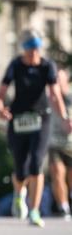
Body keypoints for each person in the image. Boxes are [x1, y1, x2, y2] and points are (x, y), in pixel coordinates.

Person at [0, 28, 71, 227]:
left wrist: (64, 117)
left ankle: (34, 211)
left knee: (36, 163)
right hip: (18, 119)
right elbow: (0, 95)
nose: (33, 54)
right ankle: (19, 193)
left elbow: (55, 95)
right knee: (21, 169)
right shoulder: (15, 65)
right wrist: (1, 109)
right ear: (24, 50)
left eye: (36, 49)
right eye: (29, 50)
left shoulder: (47, 67)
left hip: (41, 119)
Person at [48, 63, 72, 220]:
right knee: (57, 173)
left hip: (71, 144)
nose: (56, 81)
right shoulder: (48, 97)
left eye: (59, 78)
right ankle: (63, 206)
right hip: (54, 143)